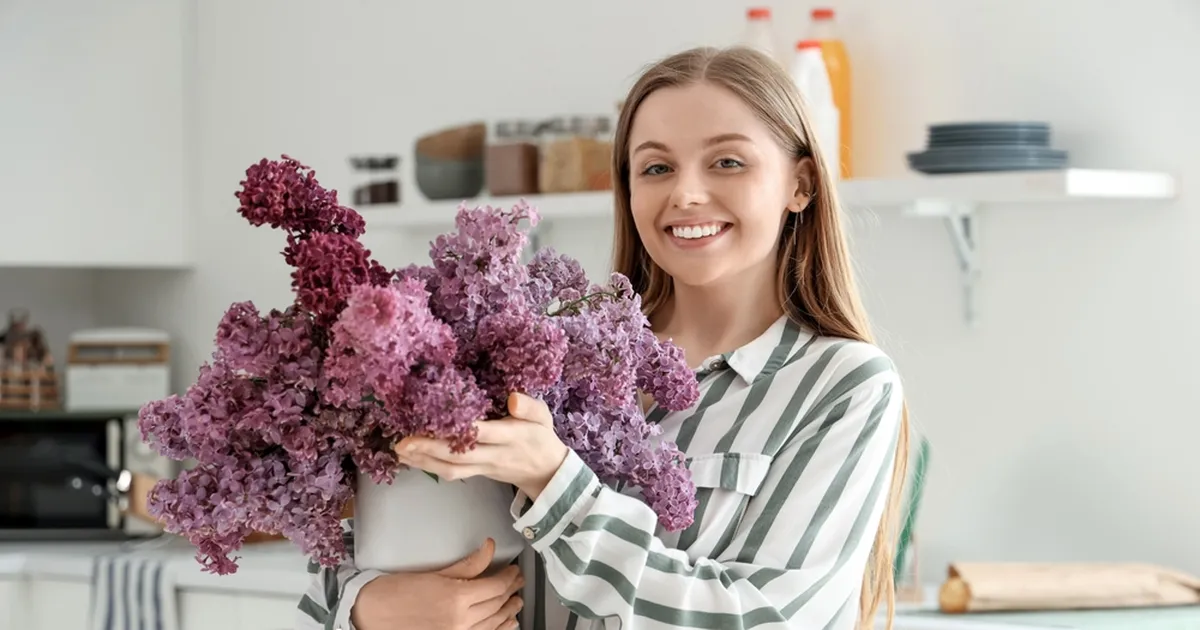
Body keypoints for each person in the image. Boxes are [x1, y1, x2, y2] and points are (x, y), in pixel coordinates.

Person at [296, 44, 912, 630]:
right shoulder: (544, 351)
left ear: (800, 183)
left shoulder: (843, 386)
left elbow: (766, 619)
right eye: (656, 167)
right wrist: (368, 605)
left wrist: (557, 485)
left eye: (728, 161)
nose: (686, 193)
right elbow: (354, 552)